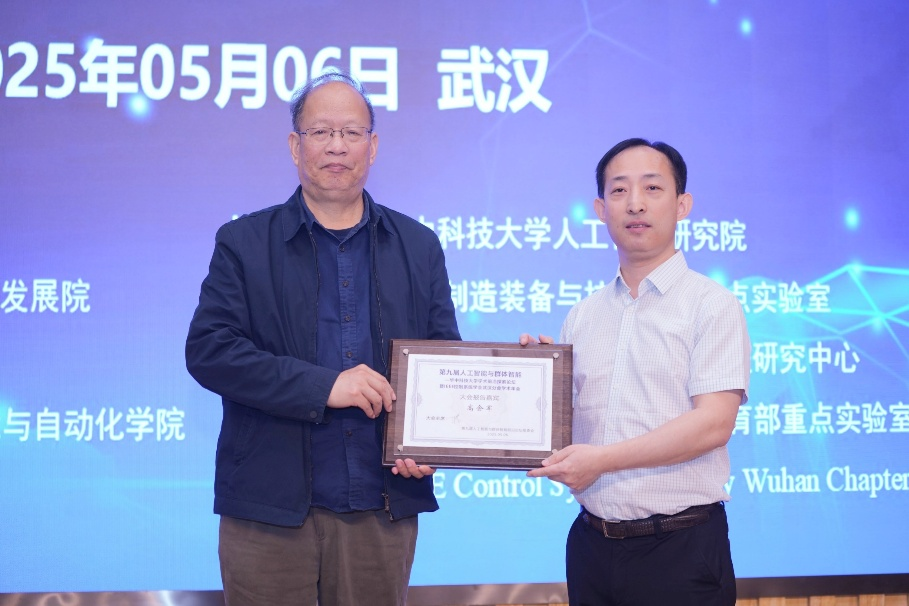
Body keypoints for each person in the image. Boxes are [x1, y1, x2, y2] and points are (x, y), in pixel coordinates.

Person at [185, 72, 460, 606]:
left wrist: (429, 440)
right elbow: (210, 351)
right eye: (321, 132)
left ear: (372, 147)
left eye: (352, 132)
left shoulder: (418, 246)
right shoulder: (244, 242)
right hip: (268, 510)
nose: (337, 146)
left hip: (381, 504)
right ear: (295, 145)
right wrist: (324, 387)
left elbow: (441, 359)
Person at [521, 138, 750, 605]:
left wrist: (602, 461)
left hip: (681, 550)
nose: (636, 204)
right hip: (592, 546)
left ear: (682, 205)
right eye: (620, 190)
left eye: (652, 188)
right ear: (600, 209)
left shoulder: (712, 305)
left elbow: (714, 423)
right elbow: (565, 429)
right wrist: (536, 382)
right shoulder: (582, 316)